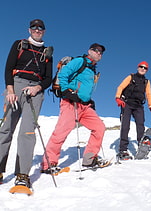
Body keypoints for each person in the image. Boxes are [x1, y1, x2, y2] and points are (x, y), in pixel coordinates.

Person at [0, 19, 53, 188]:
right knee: (5, 129)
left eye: (40, 28)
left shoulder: (47, 52)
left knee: (27, 132)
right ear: (29, 29)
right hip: (16, 85)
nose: (37, 30)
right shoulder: (19, 44)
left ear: (44, 31)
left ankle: (22, 174)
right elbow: (8, 67)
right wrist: (10, 90)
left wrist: (37, 88)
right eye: (34, 27)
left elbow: (49, 78)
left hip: (35, 91)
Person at [41, 43, 106, 171]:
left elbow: (84, 87)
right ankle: (48, 164)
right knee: (60, 133)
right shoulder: (80, 61)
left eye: (101, 52)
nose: (99, 53)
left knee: (99, 127)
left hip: (85, 106)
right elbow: (64, 73)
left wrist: (89, 100)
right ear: (89, 51)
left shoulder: (92, 69)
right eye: (96, 50)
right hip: (70, 103)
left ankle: (89, 159)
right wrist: (66, 91)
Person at [115, 61, 151, 160]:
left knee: (140, 125)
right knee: (125, 125)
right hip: (127, 103)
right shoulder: (131, 77)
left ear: (147, 70)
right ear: (138, 67)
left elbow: (148, 94)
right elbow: (120, 87)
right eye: (141, 67)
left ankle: (141, 147)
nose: (143, 69)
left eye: (145, 68)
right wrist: (118, 98)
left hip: (138, 105)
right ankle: (123, 150)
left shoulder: (146, 82)